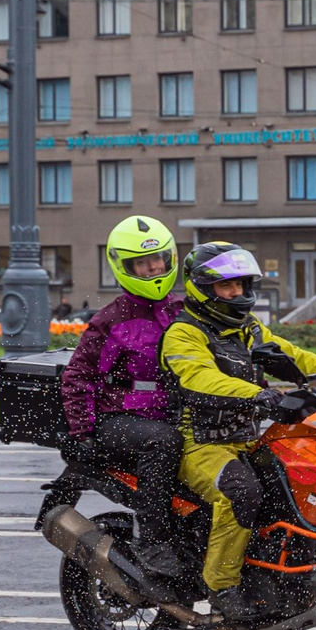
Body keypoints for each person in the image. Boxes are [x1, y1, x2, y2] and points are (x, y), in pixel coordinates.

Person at [162, 242, 316, 616]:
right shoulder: (184, 334)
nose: (237, 294)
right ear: (203, 288)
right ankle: (222, 587)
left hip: (247, 438)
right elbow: (200, 379)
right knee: (241, 491)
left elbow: (294, 357)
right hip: (199, 444)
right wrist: (262, 396)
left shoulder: (245, 328)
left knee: (299, 476)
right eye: (227, 287)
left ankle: (284, 569)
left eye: (242, 285)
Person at [59, 215, 187, 573]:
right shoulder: (112, 319)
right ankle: (152, 539)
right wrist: (82, 432)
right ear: (124, 267)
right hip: (117, 419)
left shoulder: (184, 312)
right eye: (142, 264)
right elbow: (77, 375)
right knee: (166, 442)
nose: (153, 268)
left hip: (172, 414)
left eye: (157, 259)